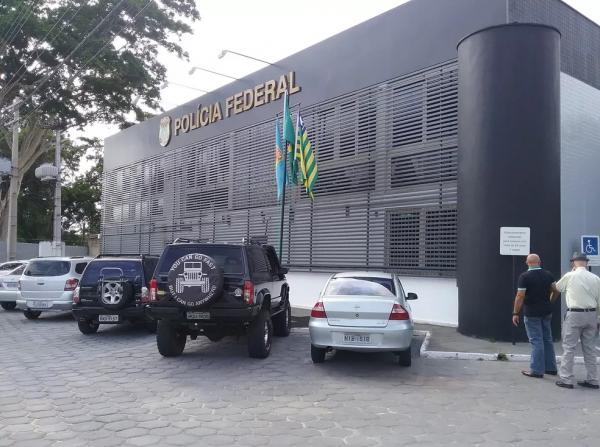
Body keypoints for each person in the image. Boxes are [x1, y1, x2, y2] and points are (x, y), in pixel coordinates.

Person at [553, 253, 600, 389]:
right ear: (586, 263)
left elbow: (557, 288)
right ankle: (593, 380)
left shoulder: (570, 276)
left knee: (569, 347)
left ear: (573, 262)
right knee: (590, 349)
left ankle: (566, 379)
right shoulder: (596, 278)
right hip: (591, 314)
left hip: (574, 314)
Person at [512, 254, 558, 378]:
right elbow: (556, 290)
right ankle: (551, 368)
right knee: (547, 339)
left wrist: (515, 312)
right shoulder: (548, 274)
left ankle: (537, 370)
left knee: (536, 340)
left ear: (527, 263)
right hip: (546, 311)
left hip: (532, 313)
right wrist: (550, 301)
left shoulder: (524, 276)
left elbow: (520, 296)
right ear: (539, 262)